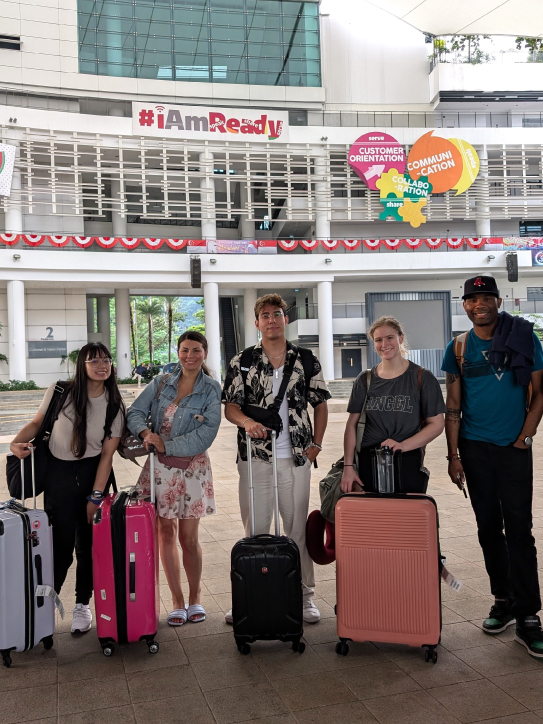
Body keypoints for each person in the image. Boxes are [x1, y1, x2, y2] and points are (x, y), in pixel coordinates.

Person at [442, 275, 543, 658]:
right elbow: (453, 405)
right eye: (472, 299)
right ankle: (503, 599)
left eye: (486, 297)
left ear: (498, 301)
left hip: (513, 448)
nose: (479, 304)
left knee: (520, 529)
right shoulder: (459, 348)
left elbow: (539, 391)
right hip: (474, 448)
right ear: (464, 305)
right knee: (488, 528)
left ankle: (528, 615)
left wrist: (526, 436)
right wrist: (453, 456)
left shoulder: (523, 337)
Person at [222, 293, 331, 624]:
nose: (272, 319)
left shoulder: (306, 359)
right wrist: (247, 422)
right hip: (254, 458)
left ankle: (304, 596)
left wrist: (317, 443)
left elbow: (321, 402)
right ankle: (252, 592)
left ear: (286, 319)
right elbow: (230, 407)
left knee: (295, 528)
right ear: (256, 322)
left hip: (295, 457)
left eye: (277, 314)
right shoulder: (241, 361)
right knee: (255, 529)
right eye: (265, 315)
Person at [9, 343, 125, 634]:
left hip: (91, 476)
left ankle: (82, 605)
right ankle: (44, 606)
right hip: (57, 476)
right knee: (58, 548)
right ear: (82, 365)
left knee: (88, 547)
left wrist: (95, 497)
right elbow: (37, 423)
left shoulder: (114, 403)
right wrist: (14, 443)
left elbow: (107, 455)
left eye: (106, 360)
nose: (102, 365)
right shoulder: (60, 391)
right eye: (94, 360)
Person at [127, 331, 221, 626]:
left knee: (188, 538)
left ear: (204, 353)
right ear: (177, 352)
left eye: (195, 350)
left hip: (192, 468)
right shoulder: (162, 382)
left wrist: (167, 444)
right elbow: (135, 413)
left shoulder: (211, 389)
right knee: (164, 533)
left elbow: (206, 434)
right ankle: (177, 601)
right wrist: (146, 434)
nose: (189, 356)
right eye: (184, 350)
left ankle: (195, 599)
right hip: (159, 469)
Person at [341, 316, 445, 495]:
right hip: (368, 462)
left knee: (404, 519)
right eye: (378, 340)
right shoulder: (365, 380)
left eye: (390, 337)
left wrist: (403, 445)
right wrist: (348, 467)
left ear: (401, 338)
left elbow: (437, 425)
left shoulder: (422, 378)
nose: (384, 344)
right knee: (372, 520)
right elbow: (351, 425)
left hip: (408, 461)